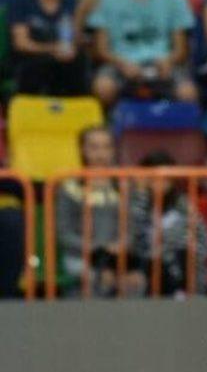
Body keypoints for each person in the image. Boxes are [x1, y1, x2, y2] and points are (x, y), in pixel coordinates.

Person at [88, 0, 198, 107]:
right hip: (121, 63)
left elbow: (181, 49)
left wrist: (169, 60)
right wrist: (120, 62)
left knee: (187, 93)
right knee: (103, 87)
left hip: (161, 64)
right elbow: (100, 49)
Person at [55, 127, 147, 297]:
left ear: (113, 150)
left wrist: (120, 246)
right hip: (80, 255)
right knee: (101, 278)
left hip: (117, 255)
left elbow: (131, 228)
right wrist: (96, 248)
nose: (101, 154)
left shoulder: (125, 184)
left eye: (106, 147)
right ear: (83, 149)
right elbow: (64, 233)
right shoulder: (68, 186)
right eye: (94, 147)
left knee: (135, 280)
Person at [9, 0, 89, 97]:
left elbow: (76, 40)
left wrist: (83, 14)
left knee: (79, 62)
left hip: (64, 63)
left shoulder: (73, 1)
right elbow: (22, 43)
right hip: (32, 62)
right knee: (35, 67)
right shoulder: (21, 0)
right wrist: (52, 49)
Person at [131, 150, 207, 296]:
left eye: (166, 178)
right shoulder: (138, 203)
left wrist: (192, 251)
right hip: (148, 264)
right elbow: (135, 236)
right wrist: (142, 194)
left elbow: (205, 239)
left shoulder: (183, 205)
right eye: (154, 178)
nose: (160, 182)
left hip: (181, 264)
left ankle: (181, 294)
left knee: (184, 254)